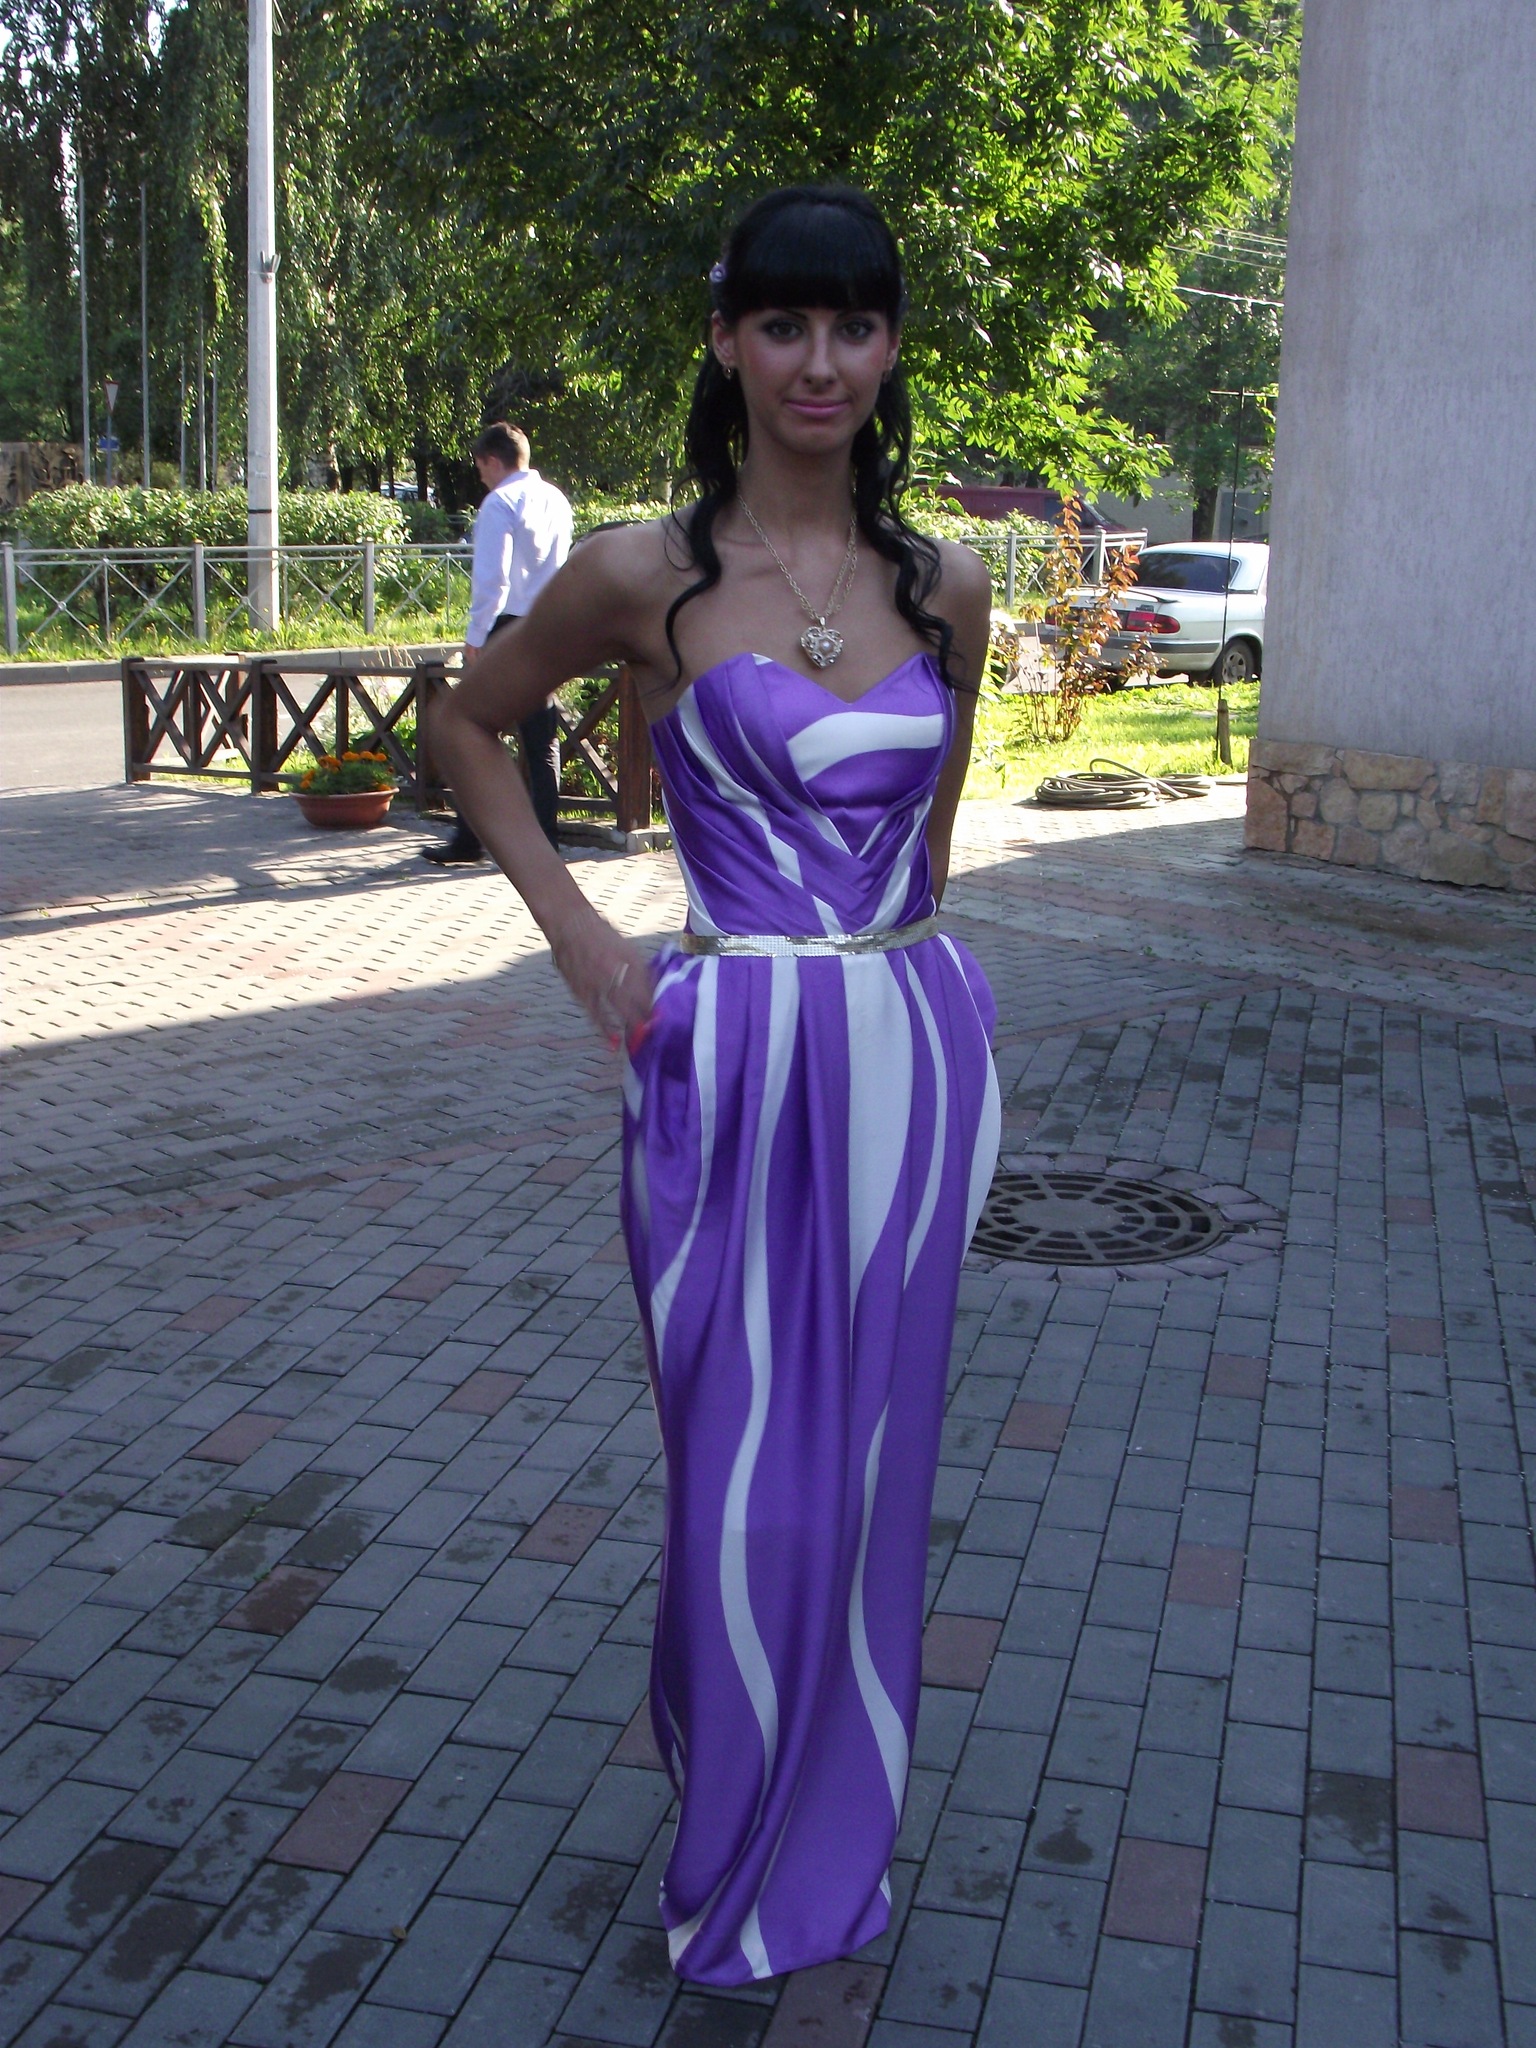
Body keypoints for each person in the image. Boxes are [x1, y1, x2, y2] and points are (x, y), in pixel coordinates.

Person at [430, 186, 1000, 1986]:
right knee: (746, 1480)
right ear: (728, 341)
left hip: (907, 1065)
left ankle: (827, 1837)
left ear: (890, 348)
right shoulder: (638, 570)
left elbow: (930, 838)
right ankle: (737, 1810)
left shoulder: (948, 584)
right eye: (784, 324)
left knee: (871, 1475)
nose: (819, 362)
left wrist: (905, 994)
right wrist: (585, 944)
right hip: (729, 1069)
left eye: (854, 326)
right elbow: (465, 721)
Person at [421, 422, 573, 862]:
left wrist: (476, 637)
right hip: (548, 625)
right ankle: (546, 842)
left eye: (480, 467)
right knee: (541, 741)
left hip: (506, 627)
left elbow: (493, 578)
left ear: (491, 460)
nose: (481, 476)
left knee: (470, 731)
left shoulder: (499, 502)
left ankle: (470, 838)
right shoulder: (556, 499)